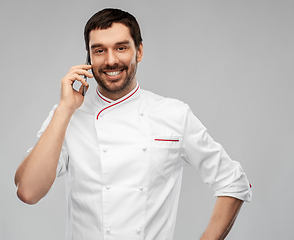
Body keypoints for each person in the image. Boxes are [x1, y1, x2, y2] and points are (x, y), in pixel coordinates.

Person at [15, 8, 252, 240]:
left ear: (139, 51)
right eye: (99, 50)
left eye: (121, 47)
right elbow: (28, 191)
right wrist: (65, 108)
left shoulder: (173, 115)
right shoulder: (67, 115)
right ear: (89, 58)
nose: (111, 60)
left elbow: (233, 181)